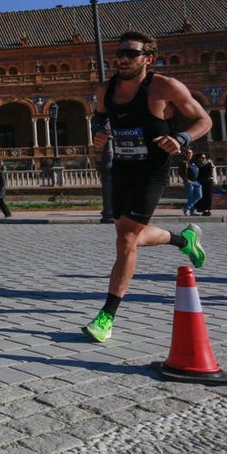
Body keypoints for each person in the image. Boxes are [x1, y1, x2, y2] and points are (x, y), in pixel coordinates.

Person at [82, 30, 212, 344]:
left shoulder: (165, 87)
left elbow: (204, 119)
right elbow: (99, 119)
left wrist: (181, 138)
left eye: (130, 53)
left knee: (127, 237)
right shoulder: (106, 89)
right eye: (120, 53)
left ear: (148, 58)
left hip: (152, 170)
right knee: (129, 235)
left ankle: (107, 316)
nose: (122, 59)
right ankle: (184, 240)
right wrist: (99, 133)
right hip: (122, 168)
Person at [180, 149, 202, 216]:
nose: (188, 154)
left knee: (199, 195)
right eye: (187, 153)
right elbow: (180, 172)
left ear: (192, 154)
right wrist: (186, 180)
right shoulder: (183, 162)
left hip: (197, 182)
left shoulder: (194, 162)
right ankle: (192, 211)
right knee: (191, 196)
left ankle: (186, 207)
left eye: (190, 153)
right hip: (189, 182)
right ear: (185, 154)